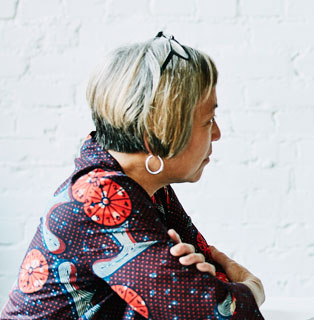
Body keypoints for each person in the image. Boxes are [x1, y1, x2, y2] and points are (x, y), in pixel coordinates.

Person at [1, 32, 265, 319]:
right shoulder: (100, 197)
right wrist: (252, 289)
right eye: (207, 120)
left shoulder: (146, 187)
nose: (217, 133)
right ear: (159, 131)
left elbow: (208, 272)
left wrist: (205, 288)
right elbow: (213, 310)